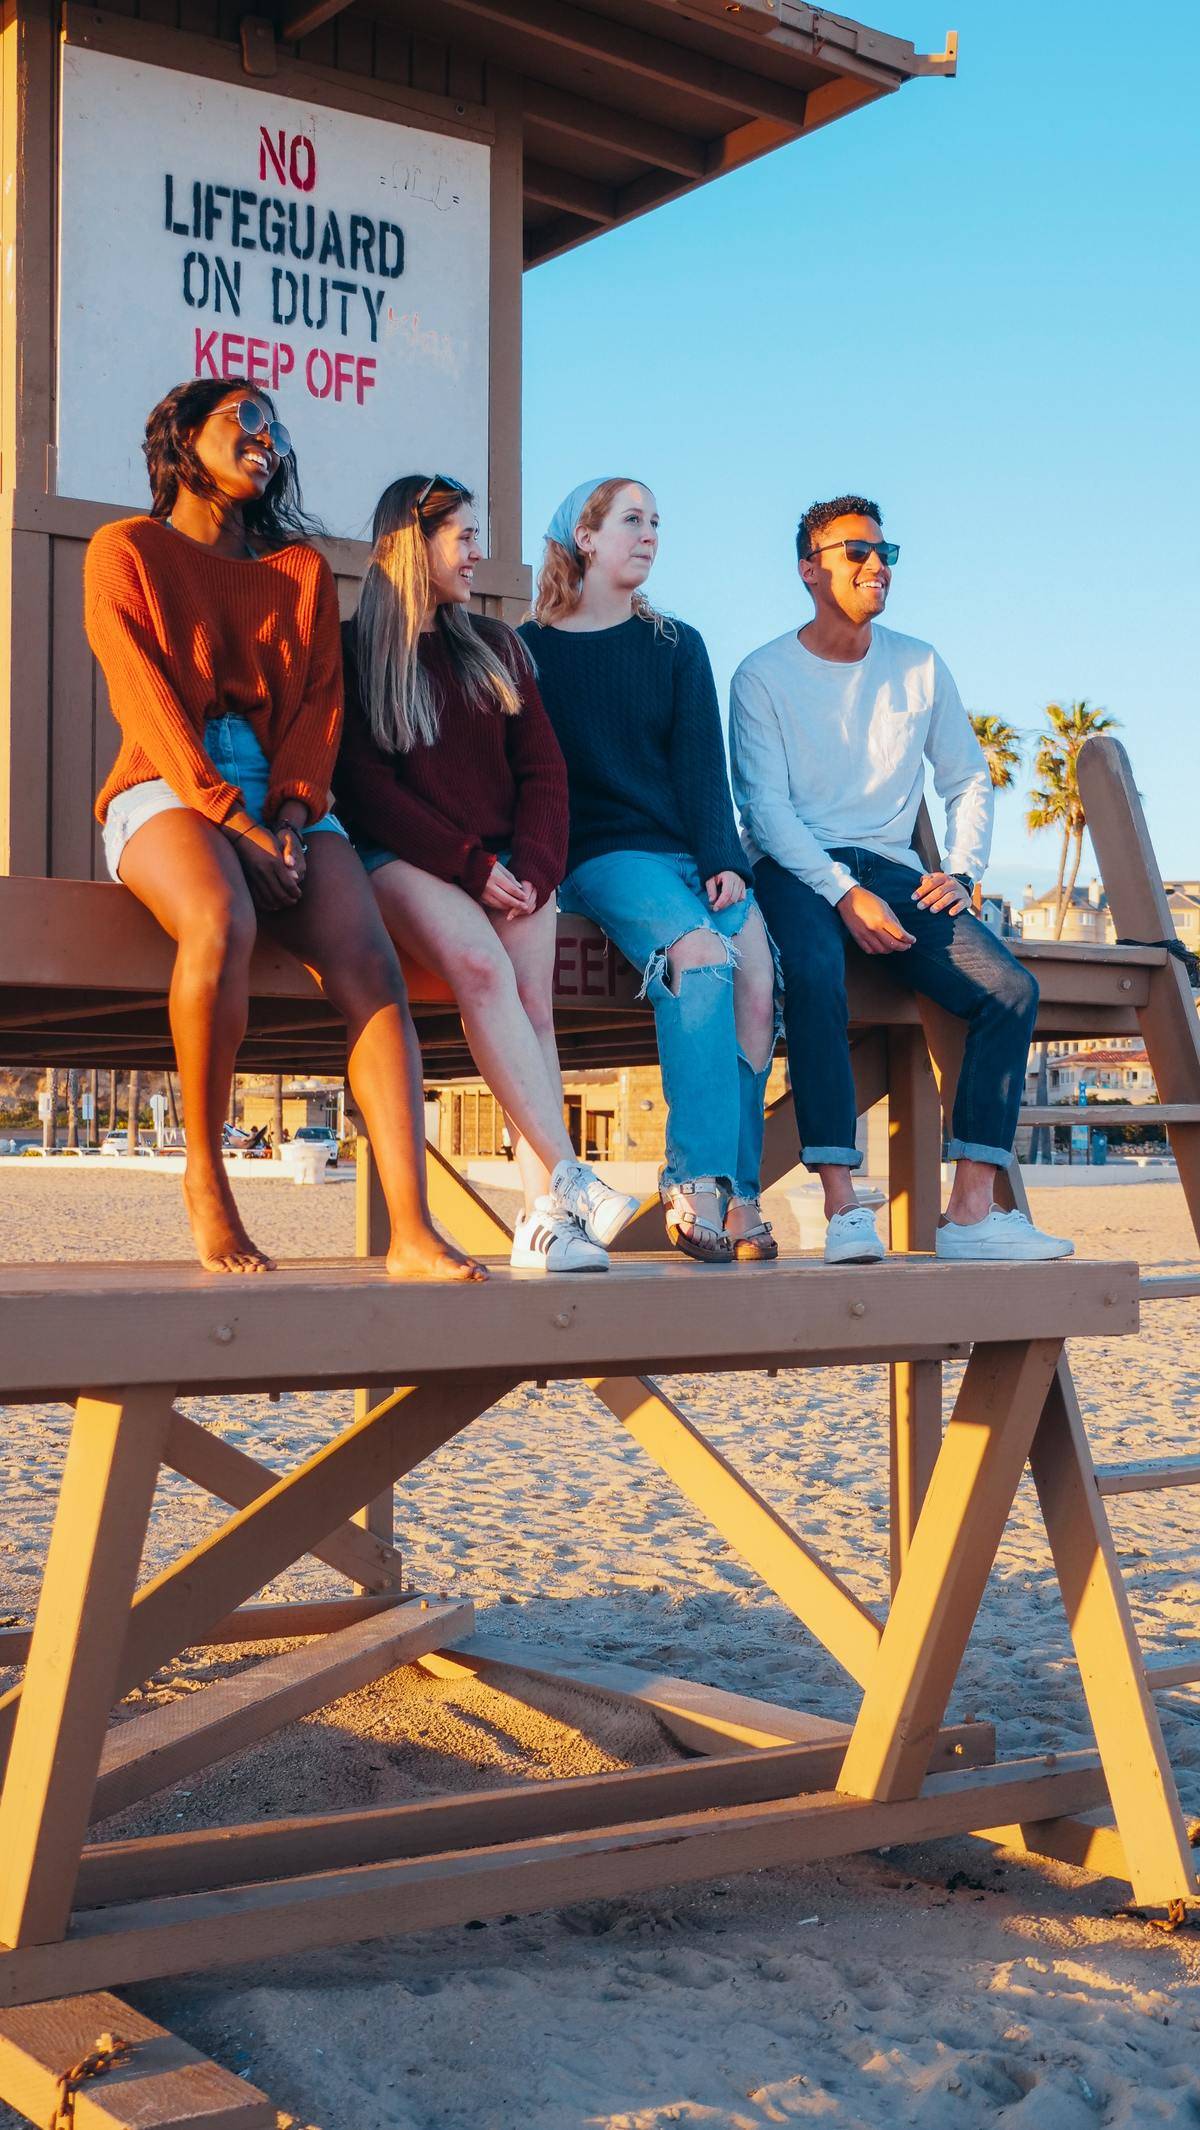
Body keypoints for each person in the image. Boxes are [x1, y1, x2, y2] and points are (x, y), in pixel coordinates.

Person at [86, 379, 482, 1282]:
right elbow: (145, 702)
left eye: (277, 428)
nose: (268, 438)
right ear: (187, 432)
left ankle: (413, 1231)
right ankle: (207, 1183)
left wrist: (294, 815)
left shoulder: (298, 569)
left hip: (284, 795)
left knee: (372, 965)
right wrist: (231, 818)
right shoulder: (125, 550)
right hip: (167, 785)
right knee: (222, 919)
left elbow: (317, 707)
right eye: (247, 419)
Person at [730, 493, 1072, 1264]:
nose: (877, 564)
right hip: (792, 863)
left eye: (886, 552)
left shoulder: (919, 664)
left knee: (1009, 989)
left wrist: (962, 869)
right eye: (856, 551)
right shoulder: (761, 675)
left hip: (893, 868)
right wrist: (840, 894)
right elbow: (766, 810)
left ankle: (972, 1215)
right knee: (816, 974)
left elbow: (968, 777)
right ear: (810, 571)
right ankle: (843, 1205)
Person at [334, 473, 639, 1272]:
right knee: (479, 968)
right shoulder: (354, 648)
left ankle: (545, 1224)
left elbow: (545, 770)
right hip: (405, 860)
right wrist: (471, 867)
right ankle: (571, 1176)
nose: (477, 552)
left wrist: (533, 866)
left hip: (513, 864)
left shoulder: (498, 646)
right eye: (463, 536)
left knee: (533, 1008)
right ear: (412, 542)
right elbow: (366, 790)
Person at [519, 478, 778, 1265]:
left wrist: (724, 861)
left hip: (688, 854)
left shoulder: (676, 643)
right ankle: (692, 1179)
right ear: (585, 539)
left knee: (758, 981)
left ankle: (738, 1192)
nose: (650, 534)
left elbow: (703, 764)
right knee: (699, 958)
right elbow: (532, 774)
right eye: (632, 520)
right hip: (603, 856)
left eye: (656, 522)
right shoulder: (531, 650)